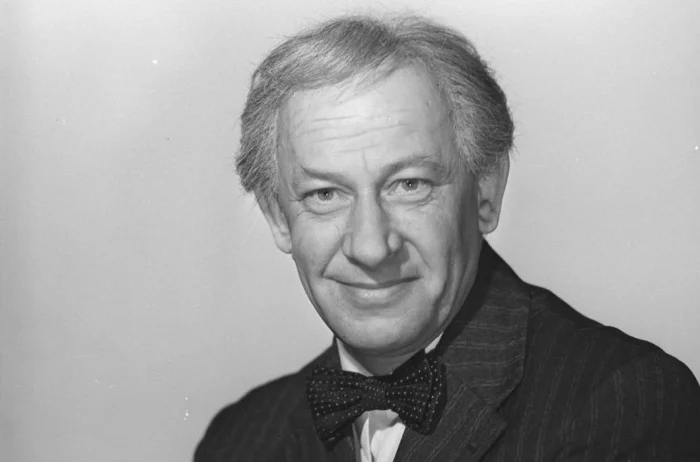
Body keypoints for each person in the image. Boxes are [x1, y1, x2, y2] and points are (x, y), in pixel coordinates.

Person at [195, 13, 700, 461]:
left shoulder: (621, 402)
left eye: (409, 185)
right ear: (279, 218)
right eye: (325, 194)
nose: (370, 247)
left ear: (486, 191)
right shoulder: (237, 441)